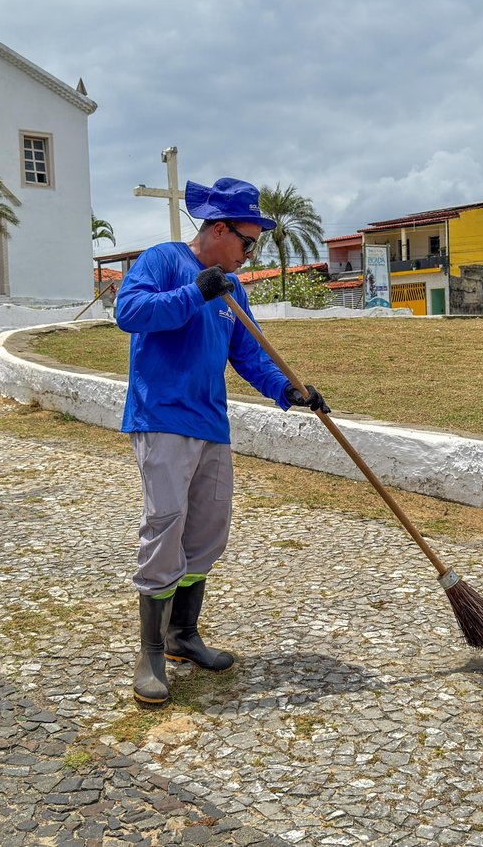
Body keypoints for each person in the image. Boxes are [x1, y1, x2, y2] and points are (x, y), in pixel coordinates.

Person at [114, 176, 328, 706]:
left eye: (254, 245)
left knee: (208, 531)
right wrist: (196, 291)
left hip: (211, 423)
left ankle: (183, 635)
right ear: (217, 228)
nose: (249, 254)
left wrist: (287, 390)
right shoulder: (164, 260)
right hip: (162, 416)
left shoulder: (233, 289)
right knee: (164, 526)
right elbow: (130, 313)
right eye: (247, 242)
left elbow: (249, 353)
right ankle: (150, 652)